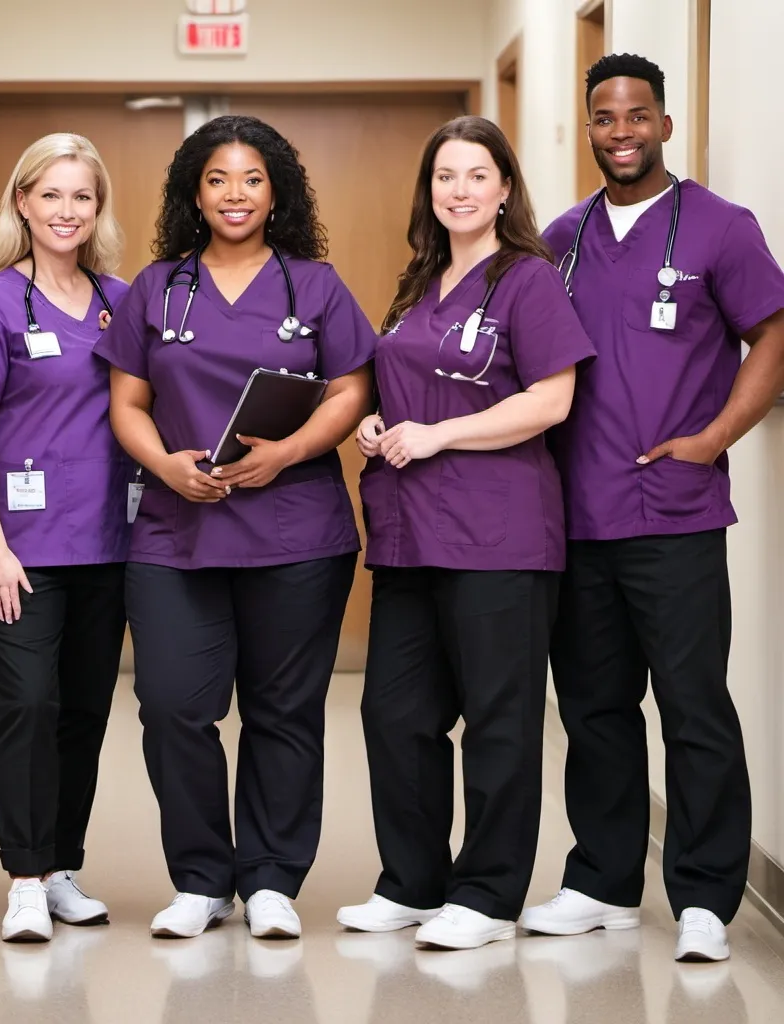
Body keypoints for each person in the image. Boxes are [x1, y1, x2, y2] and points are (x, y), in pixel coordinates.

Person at [522, 54, 784, 963]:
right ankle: (601, 882)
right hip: (576, 513)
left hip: (674, 512)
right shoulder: (560, 237)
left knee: (693, 704)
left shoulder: (721, 227)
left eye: (637, 116)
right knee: (594, 705)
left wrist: (715, 438)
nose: (621, 131)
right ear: (589, 129)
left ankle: (707, 896)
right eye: (603, 117)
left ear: (666, 125)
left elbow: (773, 335)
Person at [96, 114, 376, 940]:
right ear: (193, 191)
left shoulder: (314, 284)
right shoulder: (159, 287)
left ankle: (269, 880)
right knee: (171, 703)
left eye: (252, 178)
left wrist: (285, 452)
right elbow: (127, 402)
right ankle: (200, 876)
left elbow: (353, 388)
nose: (235, 194)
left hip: (295, 527)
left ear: (277, 190)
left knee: (284, 708)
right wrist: (167, 466)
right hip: (175, 533)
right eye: (217, 178)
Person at [335, 116, 595, 951]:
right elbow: (405, 383)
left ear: (506, 189)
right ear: (430, 191)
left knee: (499, 719)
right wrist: (378, 422)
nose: (460, 190)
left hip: (500, 534)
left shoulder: (529, 280)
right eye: (446, 176)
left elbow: (551, 401)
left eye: (477, 175)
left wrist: (439, 435)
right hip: (411, 533)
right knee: (396, 713)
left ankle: (485, 896)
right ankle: (412, 884)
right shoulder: (419, 283)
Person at [0, 133, 130, 943]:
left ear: (97, 208)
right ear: (22, 202)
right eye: (50, 195)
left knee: (83, 710)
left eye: (81, 196)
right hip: (17, 550)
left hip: (108, 544)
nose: (66, 211)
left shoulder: (121, 300)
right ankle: (22, 878)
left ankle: (60, 870)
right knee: (26, 707)